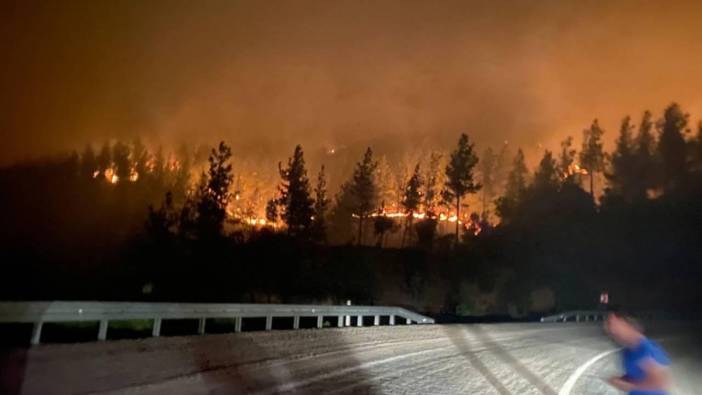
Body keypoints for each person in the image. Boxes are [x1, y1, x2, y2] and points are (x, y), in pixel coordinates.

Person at [605, 312, 671, 395]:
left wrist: (626, 385)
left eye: (616, 328)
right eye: (610, 332)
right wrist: (620, 380)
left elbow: (660, 383)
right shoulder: (627, 351)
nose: (612, 332)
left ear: (628, 326)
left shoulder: (647, 349)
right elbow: (636, 376)